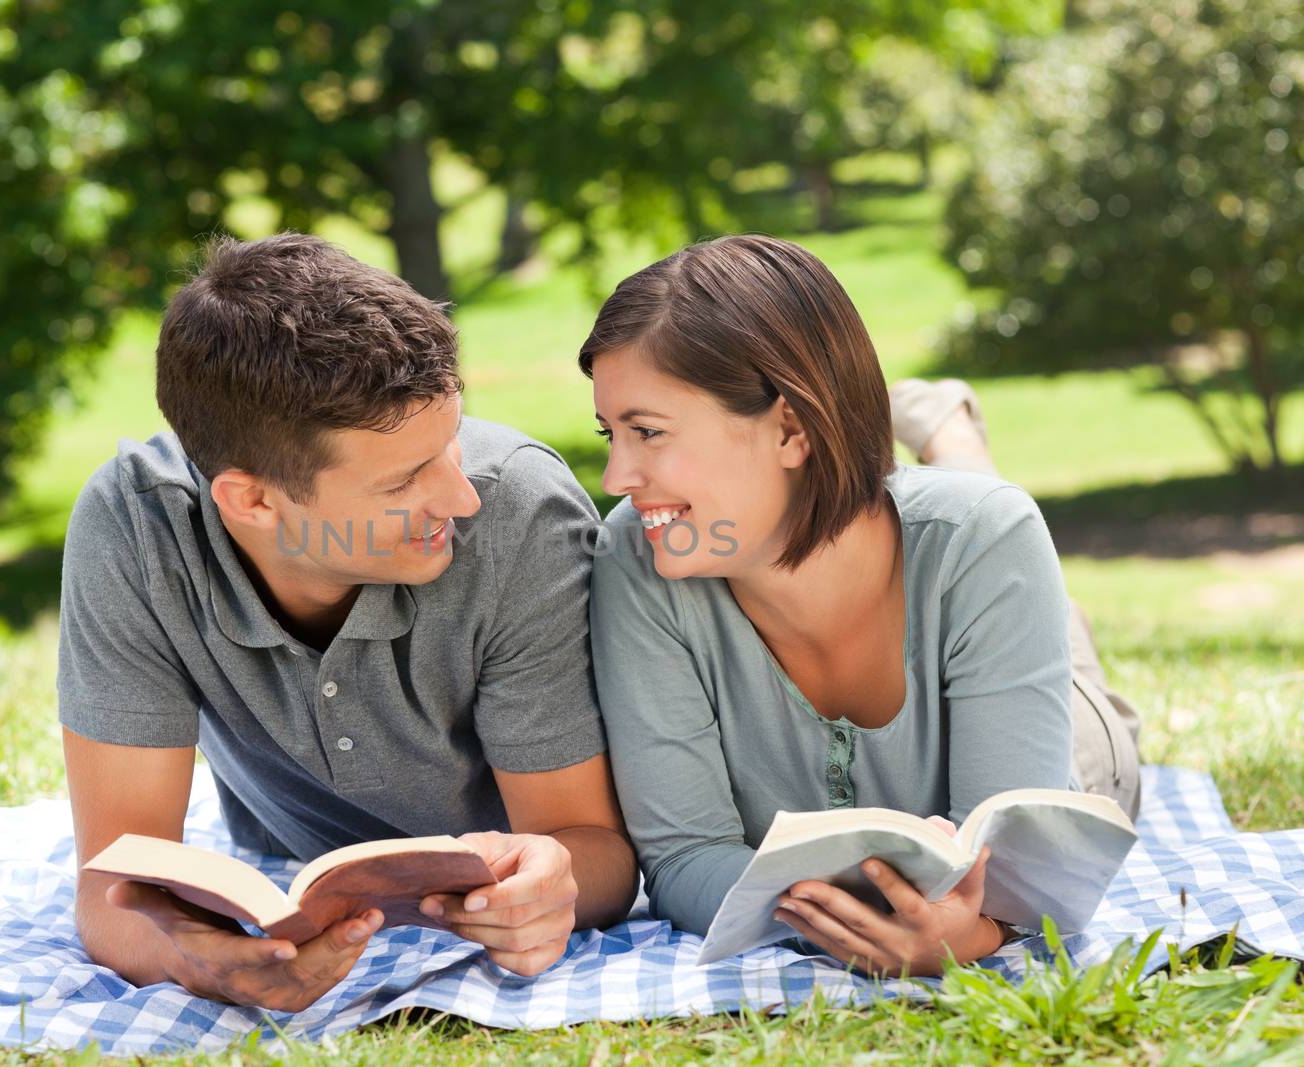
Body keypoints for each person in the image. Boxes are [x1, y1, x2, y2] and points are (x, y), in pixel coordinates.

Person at [59, 233, 636, 1013]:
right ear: (252, 501)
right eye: (403, 481)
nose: (459, 498)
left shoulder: (516, 514)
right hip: (282, 863)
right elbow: (115, 888)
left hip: (481, 903)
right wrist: (211, 965)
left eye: (452, 444)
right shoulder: (135, 528)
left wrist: (552, 886)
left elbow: (595, 850)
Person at [580, 234, 1141, 978]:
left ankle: (952, 435)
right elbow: (684, 855)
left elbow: (1019, 872)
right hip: (953, 559)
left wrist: (969, 936)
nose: (618, 475)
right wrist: (848, 925)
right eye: (609, 434)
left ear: (790, 427)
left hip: (1075, 749)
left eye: (647, 431)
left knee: (1007, 553)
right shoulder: (636, 556)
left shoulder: (984, 539)